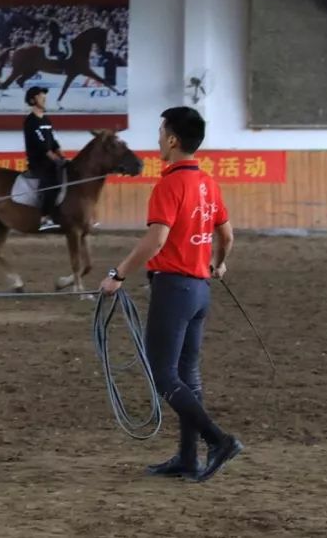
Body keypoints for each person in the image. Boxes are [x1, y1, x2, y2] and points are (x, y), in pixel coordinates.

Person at [99, 106, 242, 483]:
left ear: (174, 140)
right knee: (187, 375)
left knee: (164, 376)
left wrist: (119, 274)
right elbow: (226, 236)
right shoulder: (209, 183)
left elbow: (157, 238)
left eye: (162, 132)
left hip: (174, 288)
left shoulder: (168, 185)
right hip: (200, 290)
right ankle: (187, 457)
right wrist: (219, 264)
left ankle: (218, 440)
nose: (158, 138)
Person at [23, 86, 65, 231]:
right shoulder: (31, 121)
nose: (44, 99)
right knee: (51, 182)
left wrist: (60, 153)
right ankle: (44, 218)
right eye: (41, 97)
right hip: (38, 162)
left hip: (50, 159)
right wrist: (55, 158)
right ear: (32, 100)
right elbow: (42, 145)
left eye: (44, 97)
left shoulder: (46, 120)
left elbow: (52, 140)